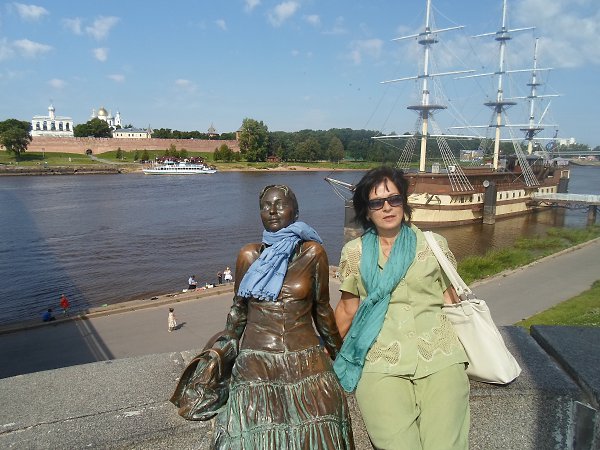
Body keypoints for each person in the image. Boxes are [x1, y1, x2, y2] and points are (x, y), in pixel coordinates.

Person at [333, 166, 469, 450]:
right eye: (376, 203)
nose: (387, 207)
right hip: (381, 360)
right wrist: (324, 353)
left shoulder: (433, 245)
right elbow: (347, 308)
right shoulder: (354, 252)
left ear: (404, 202)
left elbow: (451, 299)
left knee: (446, 444)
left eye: (394, 199)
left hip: (440, 356)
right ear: (366, 210)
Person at [213, 185, 354, 449]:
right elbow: (239, 311)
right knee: (253, 421)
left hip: (304, 352)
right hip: (257, 354)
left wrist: (342, 355)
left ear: (295, 212)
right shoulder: (248, 255)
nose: (272, 211)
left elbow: (322, 310)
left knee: (325, 411)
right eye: (266, 206)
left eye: (280, 204)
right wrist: (223, 350)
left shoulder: (313, 253)